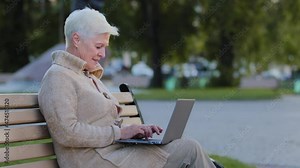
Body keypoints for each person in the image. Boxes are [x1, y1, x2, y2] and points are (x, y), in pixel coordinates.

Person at [38, 7, 216, 168]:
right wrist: (121, 133)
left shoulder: (87, 75)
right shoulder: (58, 76)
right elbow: (67, 133)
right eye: (98, 46)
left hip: (114, 154)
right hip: (93, 161)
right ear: (76, 39)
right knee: (189, 151)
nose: (103, 54)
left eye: (104, 47)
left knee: (188, 148)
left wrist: (134, 133)